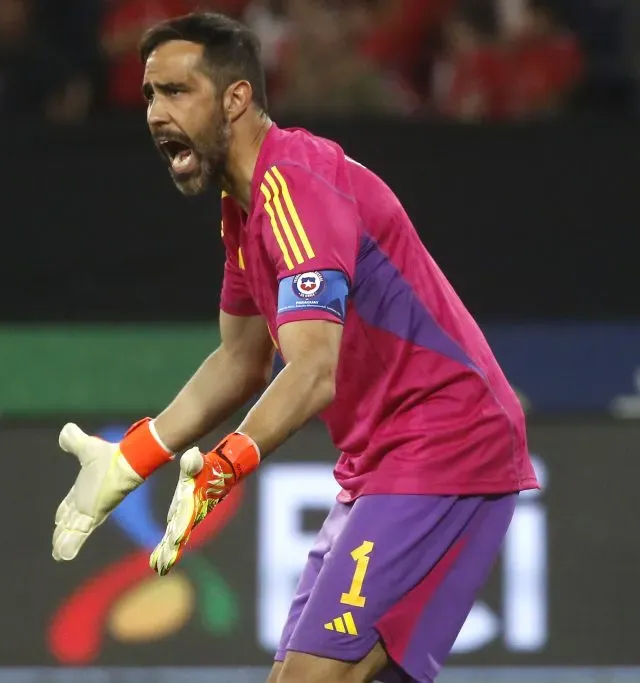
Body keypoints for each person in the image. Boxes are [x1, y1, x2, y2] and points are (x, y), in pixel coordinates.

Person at [50, 11, 538, 683]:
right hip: (382, 459)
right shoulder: (244, 210)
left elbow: (312, 372)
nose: (156, 113)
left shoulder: (295, 187)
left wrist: (222, 467)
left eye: (177, 91)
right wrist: (132, 459)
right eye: (149, 94)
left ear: (237, 98)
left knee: (316, 677)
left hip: (446, 441)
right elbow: (241, 361)